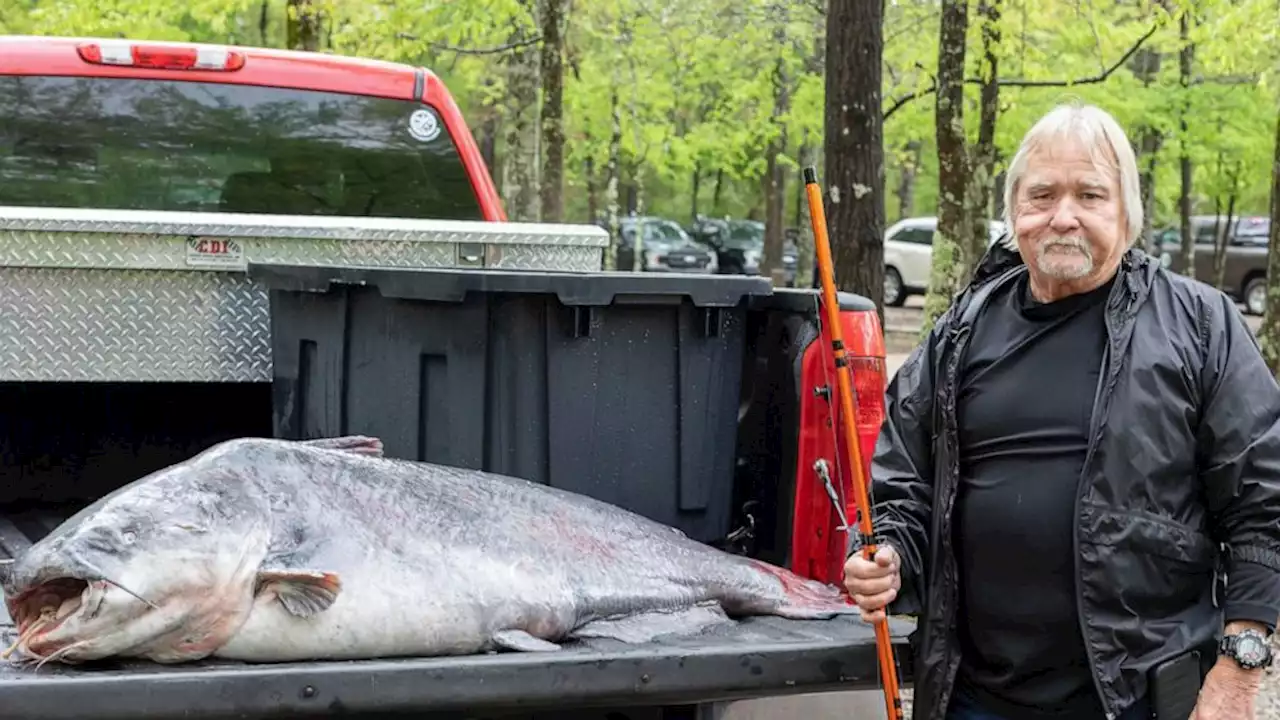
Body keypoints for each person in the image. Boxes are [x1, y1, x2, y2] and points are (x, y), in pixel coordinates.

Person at [844, 101, 1280, 720]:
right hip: (975, 698)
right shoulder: (959, 333)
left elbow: (1264, 505)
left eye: (1090, 195)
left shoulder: (1201, 326)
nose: (1063, 217)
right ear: (1014, 211)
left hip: (1138, 700)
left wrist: (1238, 671)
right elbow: (903, 486)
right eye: (1042, 195)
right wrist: (889, 555)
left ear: (1127, 214)